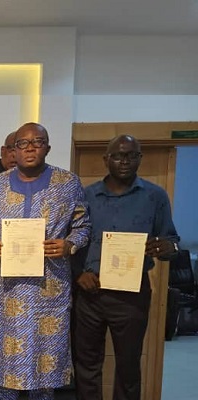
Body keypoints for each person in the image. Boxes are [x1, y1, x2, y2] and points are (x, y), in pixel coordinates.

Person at [0, 122, 90, 400]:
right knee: (5, 374)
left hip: (49, 292)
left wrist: (69, 244)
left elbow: (83, 226)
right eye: (23, 143)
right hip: (7, 294)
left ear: (48, 147)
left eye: (37, 142)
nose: (30, 148)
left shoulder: (68, 183)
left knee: (44, 375)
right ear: (13, 150)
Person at [72, 135, 179, 400]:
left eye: (131, 155)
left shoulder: (155, 196)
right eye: (118, 156)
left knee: (129, 367)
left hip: (132, 295)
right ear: (106, 159)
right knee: (86, 365)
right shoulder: (85, 196)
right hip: (90, 293)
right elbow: (72, 241)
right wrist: (78, 274)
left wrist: (169, 249)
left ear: (140, 159)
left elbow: (171, 240)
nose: (125, 161)